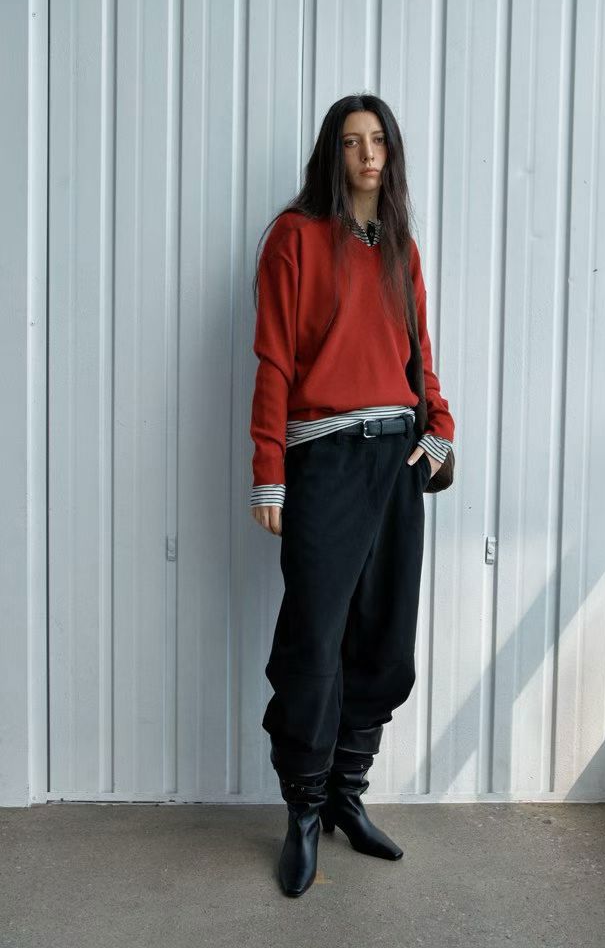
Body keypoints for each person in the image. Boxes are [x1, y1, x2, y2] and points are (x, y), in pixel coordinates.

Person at [249, 93, 455, 897]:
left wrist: (439, 433)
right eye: (350, 142)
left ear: (392, 154)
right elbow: (274, 358)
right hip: (325, 462)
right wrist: (269, 469)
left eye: (378, 141)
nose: (367, 154)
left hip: (397, 463)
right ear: (331, 154)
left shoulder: (401, 250)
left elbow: (420, 360)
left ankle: (346, 795)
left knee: (385, 641)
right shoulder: (295, 238)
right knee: (314, 642)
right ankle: (302, 812)